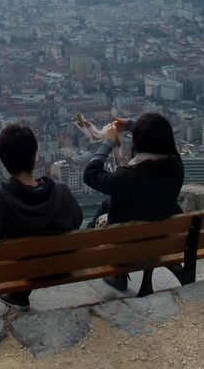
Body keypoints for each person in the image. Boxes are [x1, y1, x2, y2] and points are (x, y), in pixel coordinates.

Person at [0, 123, 84, 310]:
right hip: (60, 269)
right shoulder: (61, 191)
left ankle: (18, 295)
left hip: (20, 272)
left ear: (3, 161)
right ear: (35, 157)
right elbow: (76, 221)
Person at [82, 112, 184, 291]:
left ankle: (116, 272)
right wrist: (131, 125)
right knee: (112, 199)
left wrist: (108, 142)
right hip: (162, 242)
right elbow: (160, 140)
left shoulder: (128, 178)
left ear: (139, 142)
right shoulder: (176, 166)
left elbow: (90, 175)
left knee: (112, 201)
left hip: (128, 252)